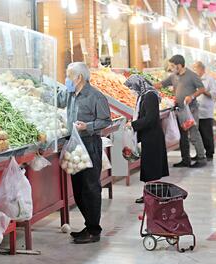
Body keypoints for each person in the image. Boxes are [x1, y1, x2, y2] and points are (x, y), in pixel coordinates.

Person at [58, 62, 112, 244]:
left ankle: (94, 230)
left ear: (78, 77)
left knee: (91, 188)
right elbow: (57, 101)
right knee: (78, 189)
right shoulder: (71, 94)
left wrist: (87, 127)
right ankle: (89, 225)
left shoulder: (96, 96)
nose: (67, 79)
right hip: (74, 145)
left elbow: (106, 121)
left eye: (68, 75)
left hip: (89, 144)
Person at [155, 55, 207, 168]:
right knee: (183, 136)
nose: (171, 68)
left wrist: (191, 96)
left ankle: (201, 158)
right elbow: (161, 84)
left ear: (179, 65)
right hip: (180, 110)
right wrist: (149, 86)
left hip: (191, 110)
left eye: (173, 66)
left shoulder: (192, 75)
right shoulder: (173, 76)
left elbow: (202, 89)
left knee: (194, 134)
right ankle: (185, 159)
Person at [124, 75, 169, 203]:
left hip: (152, 137)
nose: (132, 90)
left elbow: (151, 118)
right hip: (147, 136)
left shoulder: (150, 96)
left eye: (132, 87)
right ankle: (149, 194)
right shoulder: (143, 96)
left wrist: (133, 125)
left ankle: (153, 196)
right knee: (148, 167)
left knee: (152, 168)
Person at [192, 61, 216, 161]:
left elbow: (215, 94)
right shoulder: (194, 79)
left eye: (195, 68)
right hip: (196, 110)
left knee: (206, 133)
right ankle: (200, 153)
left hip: (206, 111)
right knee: (198, 134)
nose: (194, 70)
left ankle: (209, 153)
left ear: (202, 69)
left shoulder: (209, 79)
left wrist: (204, 92)